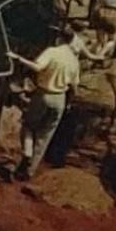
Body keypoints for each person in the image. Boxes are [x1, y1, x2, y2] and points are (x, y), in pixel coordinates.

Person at [16, 36, 86, 174]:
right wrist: (68, 103)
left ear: (59, 39)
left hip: (43, 94)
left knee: (28, 125)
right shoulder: (74, 60)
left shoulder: (52, 51)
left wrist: (19, 59)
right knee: (45, 135)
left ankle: (27, 152)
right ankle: (30, 171)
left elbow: (38, 67)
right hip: (60, 98)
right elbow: (74, 86)